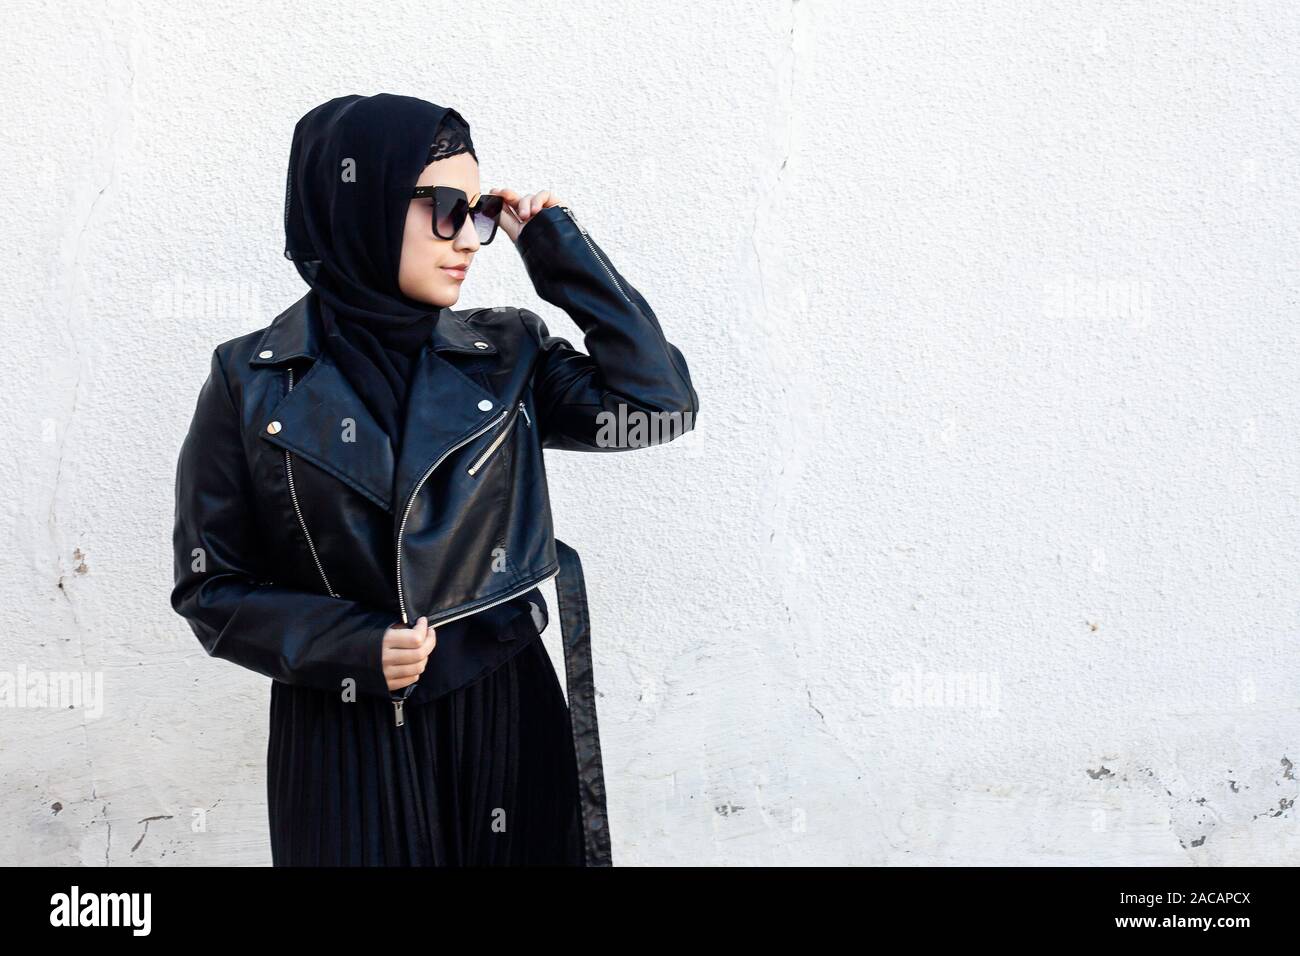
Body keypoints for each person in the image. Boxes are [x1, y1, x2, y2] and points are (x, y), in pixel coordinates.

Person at [170, 93, 699, 865]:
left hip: (503, 706)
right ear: (362, 205)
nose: (471, 239)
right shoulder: (250, 380)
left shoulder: (507, 352)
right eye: (447, 207)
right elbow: (208, 586)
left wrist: (558, 251)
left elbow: (658, 406)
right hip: (342, 727)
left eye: (480, 211)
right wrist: (352, 644)